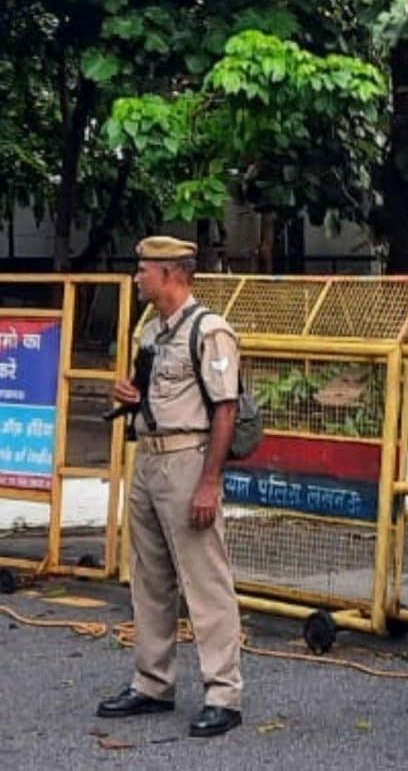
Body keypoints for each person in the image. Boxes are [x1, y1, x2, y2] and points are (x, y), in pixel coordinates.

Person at [97, 236, 243, 738]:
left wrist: (209, 482)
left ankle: (223, 694)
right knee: (149, 578)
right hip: (149, 458)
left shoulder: (210, 330)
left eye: (145, 269)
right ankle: (152, 682)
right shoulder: (152, 331)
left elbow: (226, 409)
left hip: (188, 459)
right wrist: (128, 395)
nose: (138, 276)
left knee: (205, 581)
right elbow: (149, 393)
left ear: (172, 273)